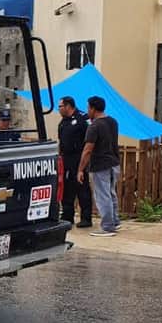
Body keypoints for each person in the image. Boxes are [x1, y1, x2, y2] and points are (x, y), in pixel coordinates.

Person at [77, 95, 121, 236]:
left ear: (93, 108)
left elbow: (88, 149)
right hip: (114, 162)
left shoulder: (94, 126)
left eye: (88, 107)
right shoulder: (113, 122)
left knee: (103, 196)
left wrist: (80, 169)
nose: (87, 110)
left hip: (101, 164)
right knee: (111, 193)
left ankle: (107, 227)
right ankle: (114, 221)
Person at [57, 96, 92, 227]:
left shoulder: (82, 118)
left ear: (68, 106)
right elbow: (62, 141)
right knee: (66, 189)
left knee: (82, 188)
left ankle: (86, 218)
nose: (59, 109)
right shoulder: (63, 122)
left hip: (79, 158)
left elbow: (90, 139)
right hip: (66, 159)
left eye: (60, 106)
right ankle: (67, 216)